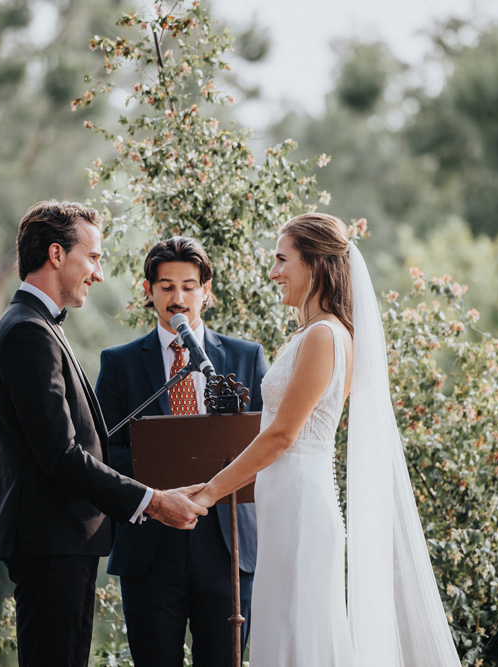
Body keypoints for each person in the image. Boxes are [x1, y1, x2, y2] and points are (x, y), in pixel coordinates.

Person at [190, 213, 462, 666]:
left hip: (300, 509)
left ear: (313, 264)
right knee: (285, 635)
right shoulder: (310, 333)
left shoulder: (323, 336)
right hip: (283, 507)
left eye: (282, 260)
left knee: (300, 638)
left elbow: (280, 435)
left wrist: (210, 491)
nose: (274, 272)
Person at [0, 201, 208, 667]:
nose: (99, 274)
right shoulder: (28, 332)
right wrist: (155, 501)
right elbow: (62, 454)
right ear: (57, 255)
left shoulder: (39, 326)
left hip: (63, 544)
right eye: (94, 257)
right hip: (52, 544)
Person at [95, 237, 269, 666]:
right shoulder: (118, 363)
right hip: (149, 548)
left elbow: (266, 445)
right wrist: (157, 485)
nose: (178, 298)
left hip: (227, 544)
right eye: (167, 286)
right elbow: (101, 450)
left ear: (206, 291)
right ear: (147, 291)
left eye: (189, 286)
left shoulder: (246, 357)